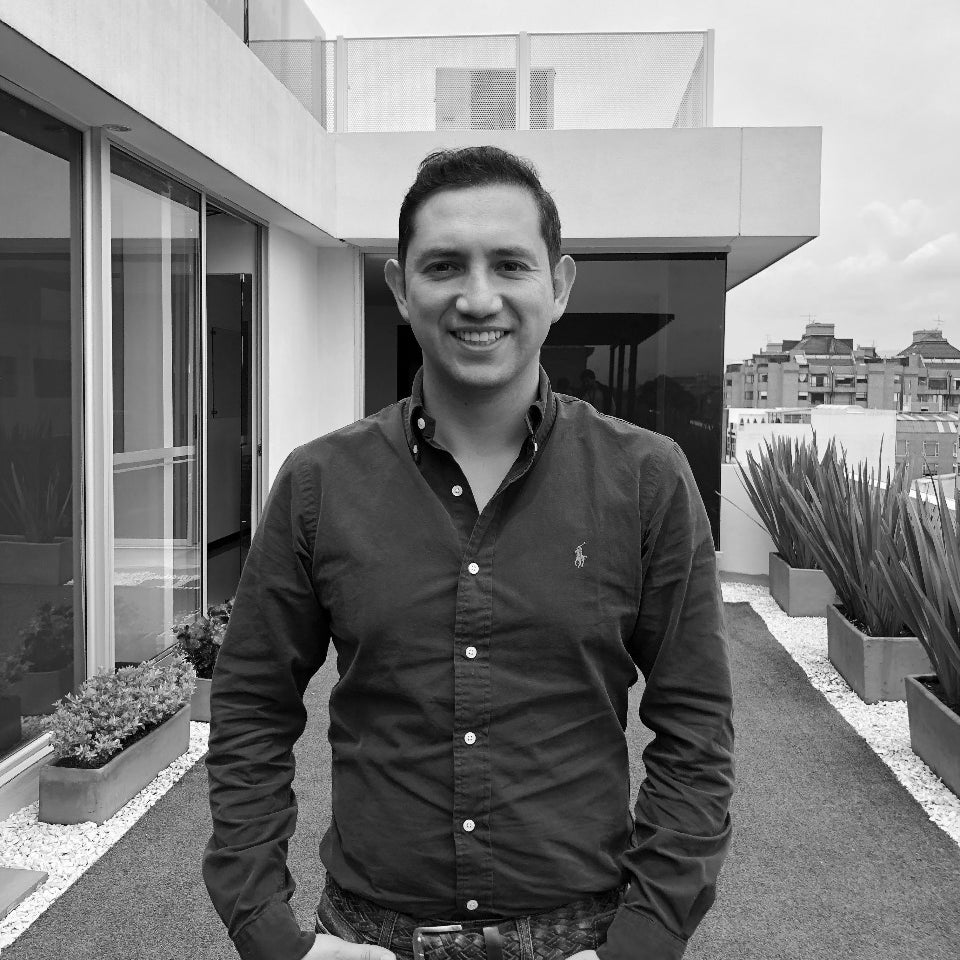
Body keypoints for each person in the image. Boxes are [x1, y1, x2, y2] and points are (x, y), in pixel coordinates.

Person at [203, 146, 734, 960]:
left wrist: (645, 940)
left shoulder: (646, 478)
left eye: (509, 264)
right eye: (445, 264)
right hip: (371, 935)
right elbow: (251, 708)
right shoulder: (319, 483)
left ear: (559, 285)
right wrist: (271, 935)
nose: (478, 298)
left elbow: (696, 727)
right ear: (399, 287)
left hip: (579, 936)